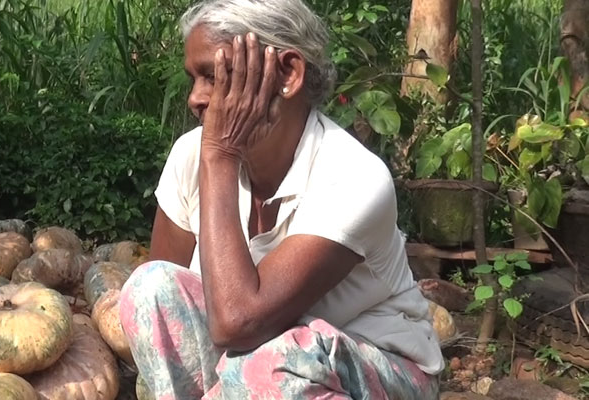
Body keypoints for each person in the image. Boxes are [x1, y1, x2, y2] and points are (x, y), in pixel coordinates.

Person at [117, 0, 443, 398]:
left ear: (287, 74)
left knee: (273, 361)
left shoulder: (355, 176)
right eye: (193, 79)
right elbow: (172, 316)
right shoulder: (192, 155)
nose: (196, 98)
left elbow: (238, 322)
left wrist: (220, 157)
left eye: (215, 76)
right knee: (150, 287)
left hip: (375, 369)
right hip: (252, 369)